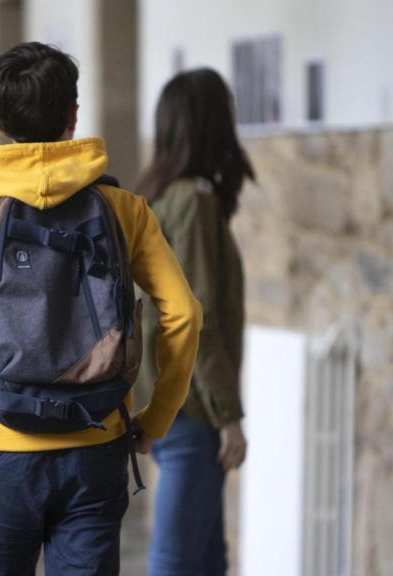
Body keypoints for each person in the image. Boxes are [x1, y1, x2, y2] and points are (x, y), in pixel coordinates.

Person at [0, 42, 202, 575]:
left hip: (3, 448)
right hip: (97, 445)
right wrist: (155, 418)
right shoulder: (124, 209)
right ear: (73, 115)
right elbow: (184, 313)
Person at [137, 68, 252, 576]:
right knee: (178, 560)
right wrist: (229, 414)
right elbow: (196, 318)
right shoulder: (196, 200)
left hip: (165, 404)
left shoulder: (161, 197)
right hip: (192, 411)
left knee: (208, 560)